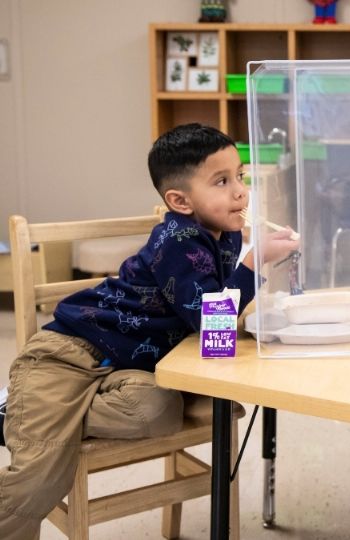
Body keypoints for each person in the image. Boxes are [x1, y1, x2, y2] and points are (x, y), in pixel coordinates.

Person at [0, 123, 300, 539]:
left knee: (158, 411)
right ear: (179, 200)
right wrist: (255, 263)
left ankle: (31, 413)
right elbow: (213, 324)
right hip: (67, 353)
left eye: (240, 177)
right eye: (222, 181)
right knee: (38, 479)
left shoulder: (225, 233)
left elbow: (217, 329)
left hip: (127, 366)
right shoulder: (175, 239)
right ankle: (21, 410)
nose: (240, 192)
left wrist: (253, 256)